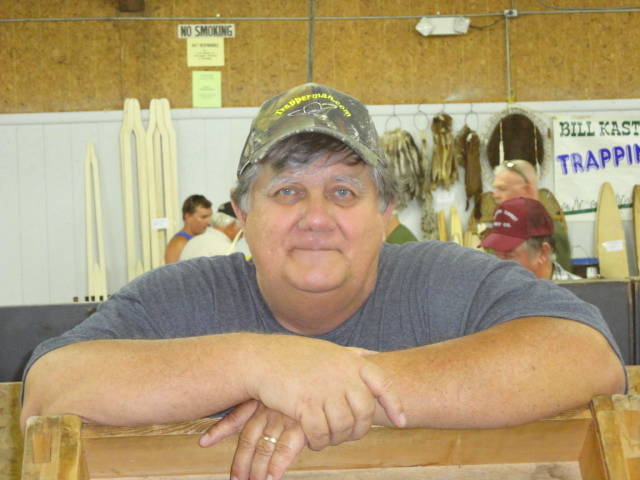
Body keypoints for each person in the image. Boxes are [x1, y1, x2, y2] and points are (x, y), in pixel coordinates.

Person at [21, 83, 624, 480]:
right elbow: (50, 389)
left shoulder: (443, 280)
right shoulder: (181, 297)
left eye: (343, 191)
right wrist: (260, 363)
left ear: (385, 213)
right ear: (243, 212)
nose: (315, 217)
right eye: (287, 190)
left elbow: (587, 356)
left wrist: (346, 389)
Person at [491, 159, 572, 271]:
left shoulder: (551, 231)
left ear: (527, 190)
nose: (495, 195)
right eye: (495, 189)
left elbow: (559, 278)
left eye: (502, 189)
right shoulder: (500, 227)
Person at [480, 197, 582, 281]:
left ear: (543, 252)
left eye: (509, 256)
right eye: (496, 256)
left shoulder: (579, 295)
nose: (499, 268)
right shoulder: (492, 294)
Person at [164, 194, 213, 264]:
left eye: (210, 217)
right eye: (203, 217)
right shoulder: (178, 244)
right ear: (188, 217)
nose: (209, 223)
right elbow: (172, 271)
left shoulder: (200, 239)